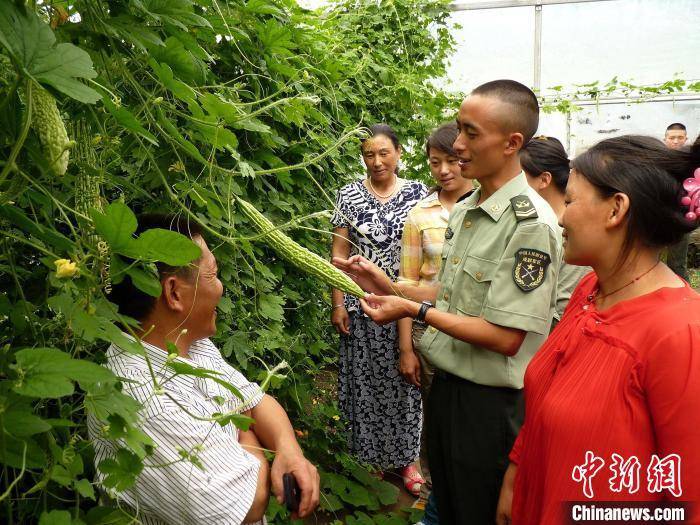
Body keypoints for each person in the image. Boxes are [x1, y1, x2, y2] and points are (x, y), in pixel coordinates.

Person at [333, 80, 561, 523]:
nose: (457, 145)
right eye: (459, 130)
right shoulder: (470, 207)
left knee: (476, 511)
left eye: (471, 133)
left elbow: (506, 336)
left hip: (489, 406)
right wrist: (386, 283)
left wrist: (411, 310)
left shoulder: (530, 224)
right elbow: (453, 292)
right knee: (450, 504)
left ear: (512, 143)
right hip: (450, 390)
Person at [496, 136, 700, 525]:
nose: (560, 217)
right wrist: (516, 476)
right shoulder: (590, 291)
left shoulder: (681, 334)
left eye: (570, 201)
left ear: (616, 210)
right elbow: (544, 409)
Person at [89, 215, 320, 525]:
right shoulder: (140, 399)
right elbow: (249, 503)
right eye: (212, 274)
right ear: (174, 293)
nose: (221, 286)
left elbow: (257, 402)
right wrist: (248, 429)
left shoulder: (189, 344)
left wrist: (288, 449)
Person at [330, 124, 428, 494]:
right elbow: (337, 255)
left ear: (399, 153)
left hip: (407, 302)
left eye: (384, 153)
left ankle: (408, 460)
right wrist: (339, 302)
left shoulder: (420, 193)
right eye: (369, 154)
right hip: (361, 305)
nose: (376, 161)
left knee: (407, 382)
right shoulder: (349, 194)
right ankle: (368, 458)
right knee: (365, 381)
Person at [396, 122, 474, 518]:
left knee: (470, 415)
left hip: (479, 333)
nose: (444, 170)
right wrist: (406, 347)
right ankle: (435, 490)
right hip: (429, 333)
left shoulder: (484, 207)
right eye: (434, 162)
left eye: (451, 160)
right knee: (435, 413)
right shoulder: (419, 214)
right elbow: (404, 285)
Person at [521, 135, 591, 329]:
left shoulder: (570, 230)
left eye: (518, 177)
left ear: (544, 179)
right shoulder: (528, 221)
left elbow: (562, 309)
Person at [664, 124, 691, 280]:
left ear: (686, 139)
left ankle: (685, 298)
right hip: (657, 216)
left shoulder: (692, 162)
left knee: (677, 263)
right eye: (672, 138)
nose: (676, 141)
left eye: (680, 138)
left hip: (681, 218)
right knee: (650, 262)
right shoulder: (658, 159)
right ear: (665, 139)